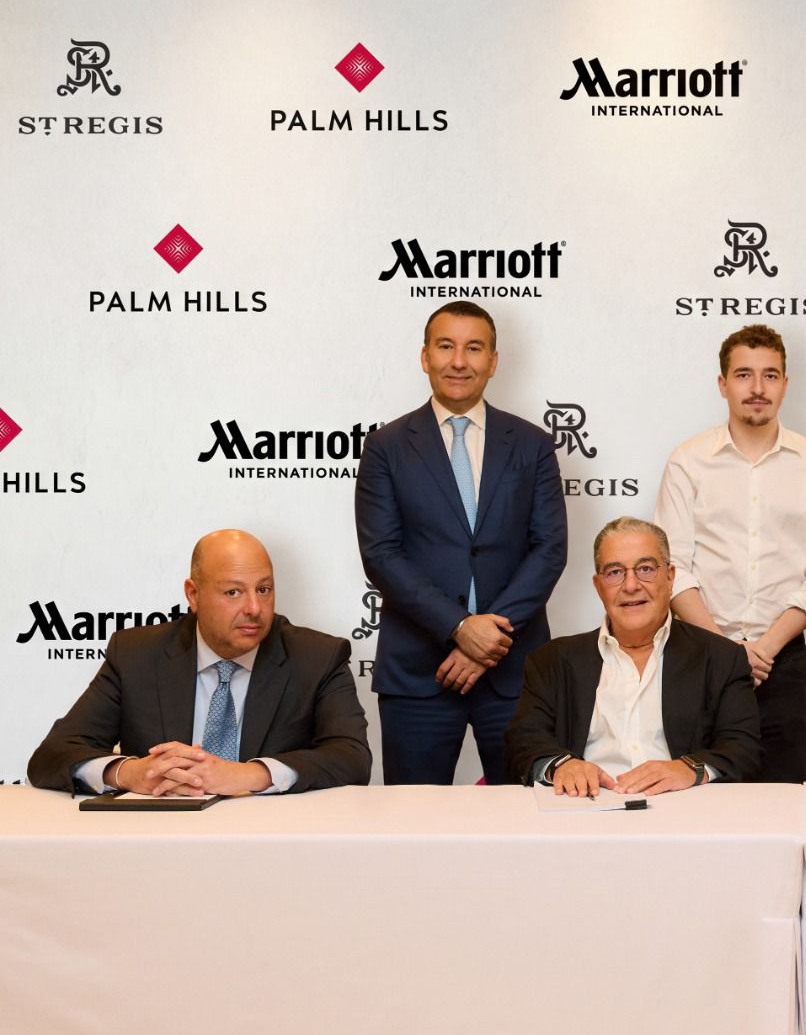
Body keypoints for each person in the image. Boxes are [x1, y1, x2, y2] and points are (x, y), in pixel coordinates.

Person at [355, 300, 567, 785]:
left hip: (514, 670)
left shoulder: (533, 444)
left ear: (493, 361)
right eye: (445, 346)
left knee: (524, 816)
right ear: (424, 356)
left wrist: (486, 641)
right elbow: (381, 554)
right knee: (412, 820)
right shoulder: (385, 447)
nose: (458, 361)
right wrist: (459, 626)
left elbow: (549, 548)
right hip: (417, 673)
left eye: (474, 348)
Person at [28, 529, 371, 795]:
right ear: (193, 594)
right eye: (233, 592)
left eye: (263, 589)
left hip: (271, 840)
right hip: (160, 840)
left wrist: (250, 774)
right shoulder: (136, 655)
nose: (254, 608)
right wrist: (127, 773)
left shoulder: (317, 657)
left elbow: (352, 757)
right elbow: (52, 755)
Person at [653, 324, 806, 782]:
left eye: (770, 375)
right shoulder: (687, 461)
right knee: (696, 802)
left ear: (785, 384)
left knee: (785, 803)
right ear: (722, 384)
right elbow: (674, 571)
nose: (758, 388)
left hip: (784, 664)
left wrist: (762, 652)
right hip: (700, 658)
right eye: (744, 375)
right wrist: (726, 652)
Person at [505, 518, 761, 795]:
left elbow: (743, 747)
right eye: (614, 572)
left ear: (670, 577)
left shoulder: (722, 658)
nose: (630, 585)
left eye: (645, 569)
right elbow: (523, 739)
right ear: (598, 585)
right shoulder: (551, 660)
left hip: (683, 806)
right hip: (585, 807)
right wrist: (561, 765)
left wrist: (690, 769)